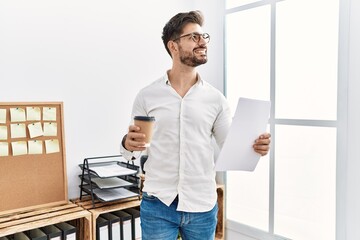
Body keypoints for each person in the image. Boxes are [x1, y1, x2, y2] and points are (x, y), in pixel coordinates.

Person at [120, 10, 271, 240]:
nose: (202, 42)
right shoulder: (147, 96)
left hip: (202, 206)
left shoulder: (216, 99)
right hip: (158, 203)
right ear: (173, 46)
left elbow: (231, 146)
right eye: (193, 37)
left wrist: (255, 147)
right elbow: (132, 150)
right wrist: (127, 143)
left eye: (203, 37)